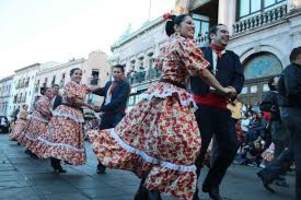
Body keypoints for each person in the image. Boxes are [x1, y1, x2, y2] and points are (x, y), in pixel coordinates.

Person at [87, 14, 234, 200]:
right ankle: (151, 187)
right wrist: (221, 88)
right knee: (185, 142)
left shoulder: (170, 44)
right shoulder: (184, 43)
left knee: (158, 142)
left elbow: (173, 66)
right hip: (171, 95)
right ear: (177, 27)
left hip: (163, 93)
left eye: (194, 24)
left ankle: (145, 191)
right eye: (189, 23)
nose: (193, 27)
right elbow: (202, 71)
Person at [190, 24, 244, 200]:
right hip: (202, 108)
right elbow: (194, 74)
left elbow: (239, 78)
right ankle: (192, 190)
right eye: (223, 32)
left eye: (228, 32)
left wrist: (234, 89)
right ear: (212, 35)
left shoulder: (233, 57)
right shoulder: (200, 52)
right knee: (199, 150)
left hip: (223, 109)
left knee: (230, 147)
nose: (227, 35)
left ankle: (212, 184)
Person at [257, 47, 301, 199]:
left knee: (292, 150)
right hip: (288, 119)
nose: (277, 79)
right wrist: (274, 110)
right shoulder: (291, 71)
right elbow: (294, 92)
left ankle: (268, 174)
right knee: (291, 150)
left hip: (289, 118)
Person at [33, 68, 94, 173]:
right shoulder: (69, 85)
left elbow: (93, 89)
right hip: (66, 113)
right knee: (60, 137)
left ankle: (61, 160)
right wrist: (89, 105)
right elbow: (73, 100)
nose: (78, 75)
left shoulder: (82, 86)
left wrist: (107, 87)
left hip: (76, 114)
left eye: (80, 74)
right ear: (71, 75)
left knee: (69, 138)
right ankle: (55, 161)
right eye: (76, 73)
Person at [91, 64, 131, 174]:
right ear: (112, 73)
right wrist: (89, 90)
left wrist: (102, 108)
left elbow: (118, 101)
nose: (116, 74)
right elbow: (103, 91)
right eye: (114, 72)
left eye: (119, 72)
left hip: (116, 115)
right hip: (106, 114)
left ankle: (118, 160)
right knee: (102, 138)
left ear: (122, 73)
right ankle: (101, 164)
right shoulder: (109, 83)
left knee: (115, 139)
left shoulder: (125, 85)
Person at [16, 88, 54, 157]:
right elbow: (43, 110)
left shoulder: (46, 99)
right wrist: (51, 114)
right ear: (45, 92)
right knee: (38, 135)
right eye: (49, 91)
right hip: (39, 120)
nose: (51, 93)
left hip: (39, 120)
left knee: (35, 135)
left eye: (52, 92)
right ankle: (33, 151)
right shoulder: (43, 99)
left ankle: (30, 150)